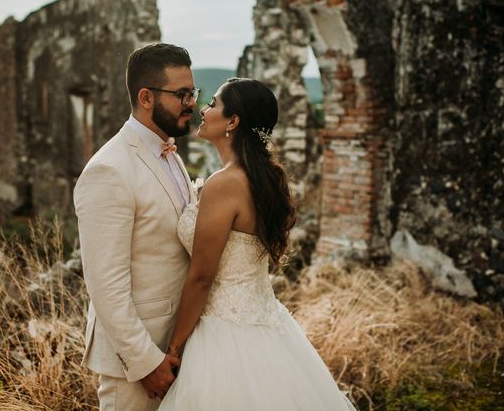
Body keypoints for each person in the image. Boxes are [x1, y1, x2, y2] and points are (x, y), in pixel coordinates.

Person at [158, 78, 357, 410]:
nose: (204, 110)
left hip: (224, 334)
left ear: (233, 121)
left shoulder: (224, 183)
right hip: (264, 325)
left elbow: (202, 277)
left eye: (214, 104)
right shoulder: (256, 178)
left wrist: (173, 349)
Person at [73, 43, 201, 411]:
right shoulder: (108, 170)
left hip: (177, 350)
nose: (191, 102)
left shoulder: (169, 153)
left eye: (193, 92)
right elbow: (105, 286)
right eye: (181, 94)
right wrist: (146, 362)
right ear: (146, 97)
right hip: (137, 366)